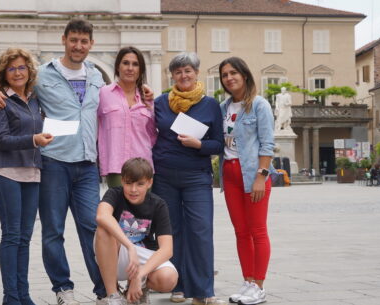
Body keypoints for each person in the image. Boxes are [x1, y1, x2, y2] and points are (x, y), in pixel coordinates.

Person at [0, 19, 107, 305]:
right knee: (52, 230)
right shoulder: (43, 75)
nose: (78, 46)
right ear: (63, 39)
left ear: (91, 44)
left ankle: (104, 290)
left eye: (84, 41)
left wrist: (144, 92)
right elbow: (11, 87)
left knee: (93, 227)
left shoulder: (97, 77)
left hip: (87, 163)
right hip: (52, 163)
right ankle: (61, 289)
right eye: (73, 39)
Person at [150, 52, 225, 305]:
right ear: (172, 75)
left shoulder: (210, 105)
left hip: (197, 176)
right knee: (172, 232)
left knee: (201, 231)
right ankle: (178, 286)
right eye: (179, 71)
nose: (184, 75)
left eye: (188, 71)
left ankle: (204, 290)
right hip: (164, 176)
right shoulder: (160, 102)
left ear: (196, 73)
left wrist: (198, 144)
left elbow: (218, 145)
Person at [0, 47, 54, 305]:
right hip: (6, 172)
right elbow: (2, 140)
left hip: (32, 173)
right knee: (12, 234)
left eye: (21, 67)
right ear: (4, 73)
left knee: (25, 238)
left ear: (29, 71)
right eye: (11, 68)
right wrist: (33, 139)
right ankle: (10, 297)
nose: (17, 72)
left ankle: (23, 295)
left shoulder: (35, 100)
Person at [218, 57, 276, 305]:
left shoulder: (259, 105)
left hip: (253, 173)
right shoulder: (223, 107)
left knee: (257, 230)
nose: (229, 78)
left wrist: (261, 176)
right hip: (229, 174)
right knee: (241, 231)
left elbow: (268, 144)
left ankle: (259, 286)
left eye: (233, 73)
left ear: (244, 74)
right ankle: (248, 280)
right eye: (224, 75)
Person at [94, 158, 178, 305]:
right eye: (128, 183)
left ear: (149, 183)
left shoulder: (158, 204)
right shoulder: (114, 194)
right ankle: (113, 296)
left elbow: (167, 249)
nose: (133, 189)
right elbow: (102, 216)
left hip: (142, 255)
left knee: (168, 278)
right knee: (104, 230)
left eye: (140, 184)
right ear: (122, 181)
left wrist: (139, 275)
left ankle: (141, 286)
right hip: (117, 253)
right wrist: (129, 246)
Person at [98, 46, 157, 188]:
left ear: (140, 70)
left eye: (135, 64)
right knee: (120, 210)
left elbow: (152, 135)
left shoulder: (147, 99)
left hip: (144, 167)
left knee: (142, 210)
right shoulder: (103, 94)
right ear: (118, 67)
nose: (130, 68)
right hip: (116, 167)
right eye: (125, 63)